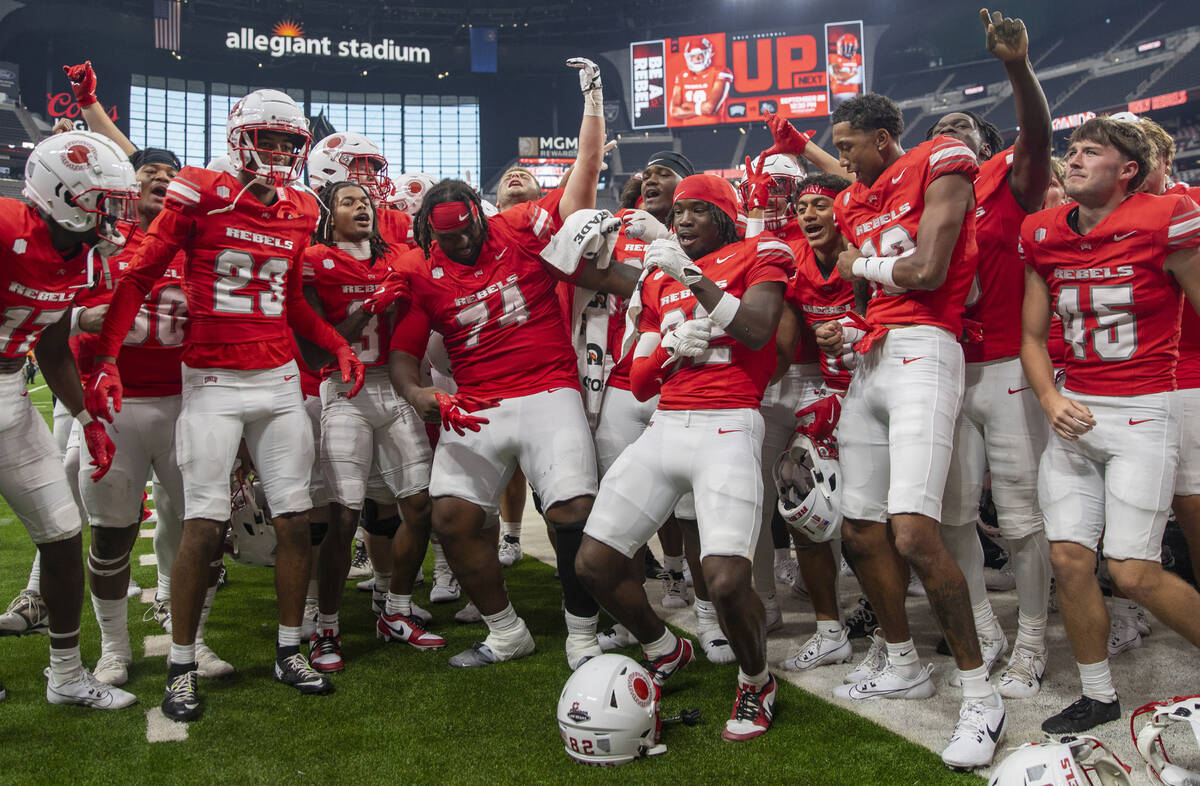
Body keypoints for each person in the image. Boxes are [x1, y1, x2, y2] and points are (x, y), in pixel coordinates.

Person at [85, 89, 366, 721]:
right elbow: (137, 275)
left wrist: (333, 345)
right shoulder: (198, 190)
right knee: (204, 527)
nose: (279, 152)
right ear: (241, 137)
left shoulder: (299, 206)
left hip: (276, 383)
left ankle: (289, 648)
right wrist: (105, 358)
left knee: (296, 521)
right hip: (210, 380)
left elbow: (293, 300)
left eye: (289, 142)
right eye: (268, 139)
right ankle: (182, 664)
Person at [383, 57, 639, 670]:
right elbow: (402, 357)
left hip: (549, 389)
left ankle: (580, 633)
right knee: (448, 515)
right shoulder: (422, 271)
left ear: (478, 212)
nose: (466, 244)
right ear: (430, 234)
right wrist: (423, 398)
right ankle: (505, 631)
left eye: (470, 231)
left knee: (572, 513)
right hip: (476, 402)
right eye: (451, 239)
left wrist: (593, 106)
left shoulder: (518, 227)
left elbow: (582, 180)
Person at [577, 171, 794, 741]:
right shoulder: (656, 280)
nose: (684, 220)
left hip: (729, 424)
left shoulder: (760, 252)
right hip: (668, 424)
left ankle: (756, 681)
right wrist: (670, 349)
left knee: (723, 581)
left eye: (698, 210)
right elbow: (642, 382)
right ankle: (664, 647)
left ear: (724, 214)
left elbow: (754, 330)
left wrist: (693, 278)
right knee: (594, 561)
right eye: (679, 213)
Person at [823, 92, 1005, 770]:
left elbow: (927, 272)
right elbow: (869, 296)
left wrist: (859, 269)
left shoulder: (942, 159)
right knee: (860, 527)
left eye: (848, 144)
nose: (842, 157)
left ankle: (980, 692)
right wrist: (851, 323)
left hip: (928, 347)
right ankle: (901, 662)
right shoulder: (854, 202)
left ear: (882, 137)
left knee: (914, 532)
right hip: (875, 356)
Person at [1020, 116, 1200, 735]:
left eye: (1090, 151)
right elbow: (1031, 336)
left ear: (1127, 171)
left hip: (1144, 411)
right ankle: (1098, 693)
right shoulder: (1042, 230)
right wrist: (1047, 398)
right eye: (1071, 148)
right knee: (1068, 560)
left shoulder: (1165, 215)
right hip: (1074, 411)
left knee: (1132, 570)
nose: (1072, 159)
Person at [926, 8, 1054, 700]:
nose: (947, 137)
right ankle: (984, 624)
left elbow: (1039, 134)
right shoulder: (920, 196)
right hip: (948, 365)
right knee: (950, 519)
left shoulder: (1011, 177)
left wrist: (1016, 66)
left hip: (1007, 363)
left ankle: (1033, 641)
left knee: (1023, 514)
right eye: (938, 133)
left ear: (986, 143)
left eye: (961, 130)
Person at [1, 129, 139, 708]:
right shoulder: (7, 225)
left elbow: (52, 347)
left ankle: (65, 675)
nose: (112, 216)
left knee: (61, 534)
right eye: (103, 201)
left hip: (10, 389)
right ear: (62, 195)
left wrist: (85, 419)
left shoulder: (85, 258)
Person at [298, 181, 444, 671]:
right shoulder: (315, 259)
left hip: (395, 386)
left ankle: (395, 610)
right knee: (343, 515)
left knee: (420, 506)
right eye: (349, 201)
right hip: (343, 390)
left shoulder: (400, 255)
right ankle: (326, 627)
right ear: (328, 214)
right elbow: (318, 351)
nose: (362, 207)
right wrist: (368, 307)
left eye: (367, 201)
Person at [774, 172, 859, 671]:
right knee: (804, 503)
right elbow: (787, 345)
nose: (808, 214)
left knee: (875, 523)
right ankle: (830, 629)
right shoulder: (794, 265)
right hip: (830, 395)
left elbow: (897, 317)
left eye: (819, 205)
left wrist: (850, 328)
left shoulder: (867, 254)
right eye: (801, 206)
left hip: (877, 393)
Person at [668, 37, 732, 123]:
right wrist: (700, 109)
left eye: (700, 55)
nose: (696, 59)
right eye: (692, 56)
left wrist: (687, 106)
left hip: (714, 128)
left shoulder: (719, 72)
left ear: (708, 54)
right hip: (687, 130)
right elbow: (674, 112)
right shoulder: (682, 76)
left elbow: (709, 108)